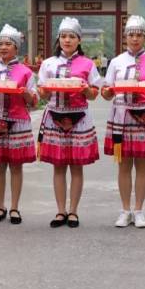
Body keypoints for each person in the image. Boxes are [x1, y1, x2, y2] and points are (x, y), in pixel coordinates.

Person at [101, 15, 145, 228]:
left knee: (143, 164)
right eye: (131, 34)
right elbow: (106, 92)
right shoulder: (116, 62)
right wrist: (108, 91)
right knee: (123, 165)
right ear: (125, 37)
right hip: (121, 116)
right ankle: (124, 209)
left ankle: (139, 210)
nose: (135, 39)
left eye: (139, 35)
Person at [37, 18, 102, 228]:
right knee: (58, 166)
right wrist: (45, 91)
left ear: (79, 40)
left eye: (71, 37)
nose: (67, 40)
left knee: (76, 167)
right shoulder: (48, 63)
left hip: (79, 117)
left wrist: (84, 89)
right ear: (58, 38)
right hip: (55, 115)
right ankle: (60, 211)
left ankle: (73, 211)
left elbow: (93, 95)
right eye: (64, 36)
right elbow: (43, 93)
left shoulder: (88, 64)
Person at [0, 24, 37, 224]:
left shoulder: (26, 72)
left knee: (16, 166)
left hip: (18, 120)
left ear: (17, 48)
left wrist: (25, 93)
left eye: (8, 44)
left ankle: (14, 207)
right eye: (0, 43)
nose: (3, 47)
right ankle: (0, 206)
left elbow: (33, 100)